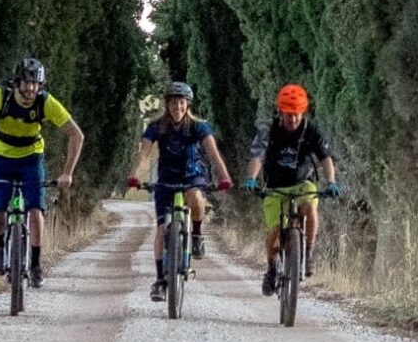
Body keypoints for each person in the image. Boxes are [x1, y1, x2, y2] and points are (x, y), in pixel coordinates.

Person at [0, 57, 85, 287]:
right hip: (2, 159)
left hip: (31, 159)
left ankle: (36, 264)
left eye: (35, 84)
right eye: (26, 83)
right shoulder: (0, 98)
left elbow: (76, 135)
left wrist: (67, 172)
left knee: (36, 209)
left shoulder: (45, 102)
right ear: (17, 82)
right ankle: (0, 246)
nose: (31, 88)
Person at [125, 81, 233, 302]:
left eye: (181, 103)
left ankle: (197, 233)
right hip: (167, 178)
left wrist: (224, 177)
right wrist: (135, 175)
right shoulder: (157, 127)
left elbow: (213, 154)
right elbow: (144, 155)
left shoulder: (198, 126)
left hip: (192, 174)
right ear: (167, 105)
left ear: (188, 105)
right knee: (161, 228)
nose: (177, 108)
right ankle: (159, 280)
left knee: (195, 196)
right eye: (173, 103)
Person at [241, 83, 340, 296]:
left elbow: (325, 158)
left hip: (303, 182)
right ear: (281, 112)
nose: (292, 119)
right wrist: (251, 178)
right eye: (288, 115)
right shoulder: (270, 129)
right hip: (275, 186)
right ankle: (271, 269)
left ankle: (309, 252)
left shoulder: (310, 130)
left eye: (296, 114)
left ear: (302, 112)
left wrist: (331, 181)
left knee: (310, 209)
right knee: (273, 233)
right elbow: (258, 156)